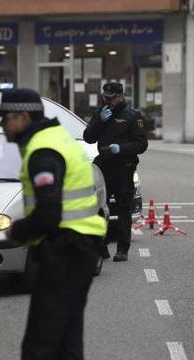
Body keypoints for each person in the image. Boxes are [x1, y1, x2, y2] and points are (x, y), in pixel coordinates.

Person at [0, 88, 107, 360]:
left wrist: (14, 232)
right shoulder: (57, 139)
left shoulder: (42, 151)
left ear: (23, 117)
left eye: (6, 118)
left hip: (62, 254)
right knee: (67, 350)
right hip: (80, 251)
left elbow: (49, 214)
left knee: (37, 351)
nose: (4, 126)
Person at [83, 81, 148, 262]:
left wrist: (121, 148)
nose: (108, 101)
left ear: (120, 97)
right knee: (97, 206)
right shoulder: (101, 113)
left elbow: (141, 144)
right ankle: (100, 246)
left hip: (123, 166)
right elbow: (88, 138)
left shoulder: (132, 116)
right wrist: (98, 122)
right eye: (105, 97)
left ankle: (122, 248)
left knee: (123, 207)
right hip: (103, 165)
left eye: (111, 98)